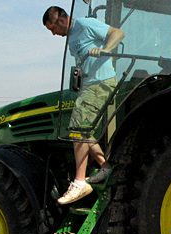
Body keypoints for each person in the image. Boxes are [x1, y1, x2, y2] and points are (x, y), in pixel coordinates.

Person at [43, 6, 124, 204]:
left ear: (61, 20)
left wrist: (106, 49)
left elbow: (118, 33)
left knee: (78, 130)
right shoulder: (71, 37)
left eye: (52, 28)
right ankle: (105, 167)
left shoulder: (84, 24)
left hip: (101, 83)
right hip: (88, 85)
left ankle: (80, 182)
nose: (54, 34)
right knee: (82, 131)